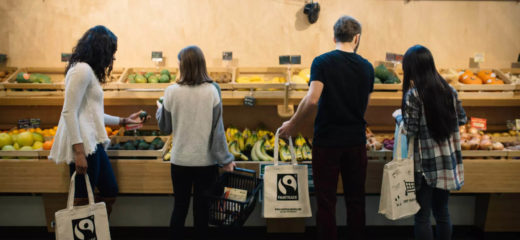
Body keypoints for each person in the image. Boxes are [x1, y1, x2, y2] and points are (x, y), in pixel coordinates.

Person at [279, 16, 374, 240]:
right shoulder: (367, 67)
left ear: (334, 37)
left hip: (327, 142)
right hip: (355, 142)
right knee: (356, 200)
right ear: (357, 38)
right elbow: (365, 106)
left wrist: (292, 124)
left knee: (326, 201)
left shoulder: (321, 62)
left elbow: (312, 99)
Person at [49, 25, 145, 215]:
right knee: (83, 201)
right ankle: (87, 233)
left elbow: (91, 114)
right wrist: (78, 152)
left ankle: (96, 230)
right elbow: (69, 112)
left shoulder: (86, 71)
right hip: (84, 145)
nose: (112, 58)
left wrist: (123, 121)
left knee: (109, 190)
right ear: (101, 50)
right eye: (111, 52)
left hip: (93, 143)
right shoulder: (81, 71)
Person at [156, 45, 235, 240]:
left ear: (183, 65)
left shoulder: (171, 92)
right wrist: (226, 160)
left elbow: (165, 128)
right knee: (202, 213)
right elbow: (217, 132)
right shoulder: (212, 91)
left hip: (180, 161)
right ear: (202, 64)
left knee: (179, 208)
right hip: (205, 163)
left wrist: (160, 109)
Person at [395, 45, 466, 240]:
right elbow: (461, 119)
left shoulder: (414, 95)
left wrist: (399, 117)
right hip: (446, 163)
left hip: (425, 166)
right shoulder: (449, 90)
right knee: (442, 212)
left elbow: (410, 129)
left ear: (412, 67)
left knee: (422, 216)